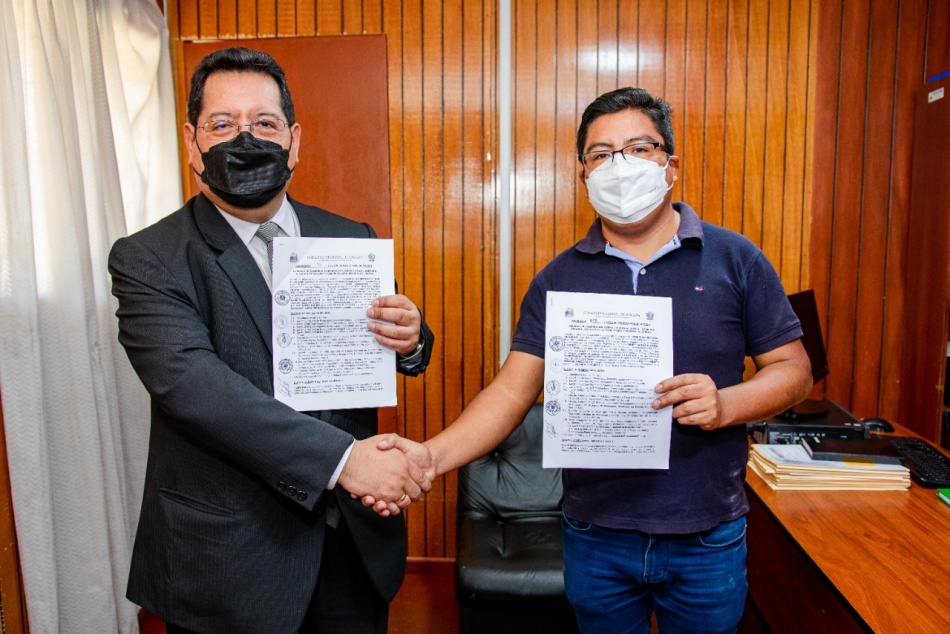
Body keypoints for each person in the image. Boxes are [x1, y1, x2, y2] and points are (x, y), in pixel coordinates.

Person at [374, 87, 812, 633]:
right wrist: (429, 457)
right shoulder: (558, 279)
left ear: (671, 165)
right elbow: (510, 392)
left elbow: (794, 371)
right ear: (583, 175)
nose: (620, 166)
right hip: (595, 533)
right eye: (601, 154)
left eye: (639, 148)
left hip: (706, 532)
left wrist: (725, 404)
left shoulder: (736, 259)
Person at [108, 47, 434, 634]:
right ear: (192, 142)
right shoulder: (149, 258)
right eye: (222, 124)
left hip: (353, 546)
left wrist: (410, 337)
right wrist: (345, 462)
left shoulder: (349, 236)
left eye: (264, 123)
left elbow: (383, 346)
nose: (246, 139)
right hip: (230, 559)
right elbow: (196, 389)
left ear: (293, 140)